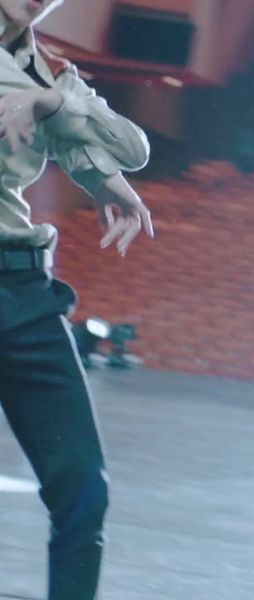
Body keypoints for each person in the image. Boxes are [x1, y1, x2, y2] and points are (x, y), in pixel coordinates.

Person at [0, 1, 154, 598]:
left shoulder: (50, 69)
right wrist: (76, 134)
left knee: (84, 490)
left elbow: (134, 146)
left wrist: (54, 104)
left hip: (25, 288)